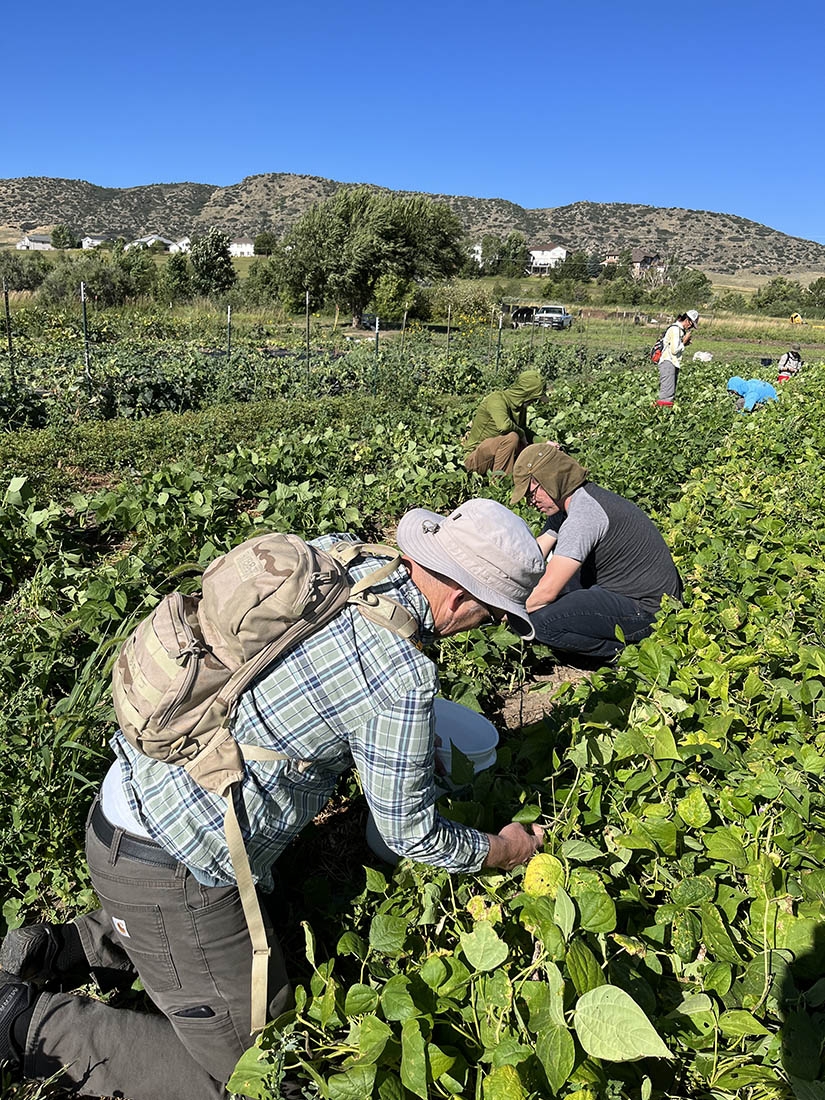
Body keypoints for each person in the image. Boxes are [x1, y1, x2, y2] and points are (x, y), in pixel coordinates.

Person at [0, 500, 545, 1100]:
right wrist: (501, 848)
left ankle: (57, 947)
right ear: (465, 599)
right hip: (175, 864)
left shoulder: (342, 555)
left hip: (128, 799)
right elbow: (407, 830)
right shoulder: (401, 676)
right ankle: (27, 1022)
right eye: (491, 615)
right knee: (260, 1075)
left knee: (181, 934)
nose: (481, 627)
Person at [511, 445, 683, 662]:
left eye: (531, 493)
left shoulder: (584, 515)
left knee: (540, 623)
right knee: (549, 587)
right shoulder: (572, 501)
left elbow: (546, 592)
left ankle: (625, 656)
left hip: (648, 610)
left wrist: (508, 611)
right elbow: (534, 556)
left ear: (550, 481)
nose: (530, 502)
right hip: (626, 588)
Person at [463, 369, 546, 474]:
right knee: (512, 438)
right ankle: (501, 484)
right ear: (526, 394)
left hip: (497, 457)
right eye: (534, 399)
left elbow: (523, 429)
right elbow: (504, 426)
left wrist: (545, 442)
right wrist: (521, 434)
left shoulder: (520, 407)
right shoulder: (496, 400)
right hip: (474, 460)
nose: (534, 402)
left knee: (529, 448)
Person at [656, 309, 700, 407]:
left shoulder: (678, 330)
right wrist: (684, 342)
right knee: (667, 394)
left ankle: (662, 413)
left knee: (669, 391)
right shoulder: (676, 330)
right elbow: (674, 350)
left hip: (671, 362)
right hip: (668, 362)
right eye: (691, 325)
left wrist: (685, 343)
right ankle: (661, 414)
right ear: (687, 320)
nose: (690, 327)